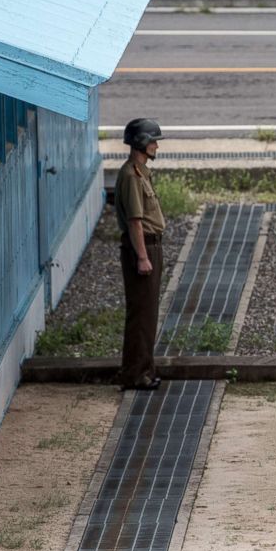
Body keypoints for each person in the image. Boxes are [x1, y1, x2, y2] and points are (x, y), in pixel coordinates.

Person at [115, 118, 166, 390]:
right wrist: (144, 257)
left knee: (147, 313)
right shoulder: (132, 176)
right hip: (142, 246)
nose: (156, 146)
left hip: (149, 244)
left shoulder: (140, 172)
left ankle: (144, 369)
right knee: (141, 315)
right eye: (153, 141)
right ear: (141, 144)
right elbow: (135, 221)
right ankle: (136, 373)